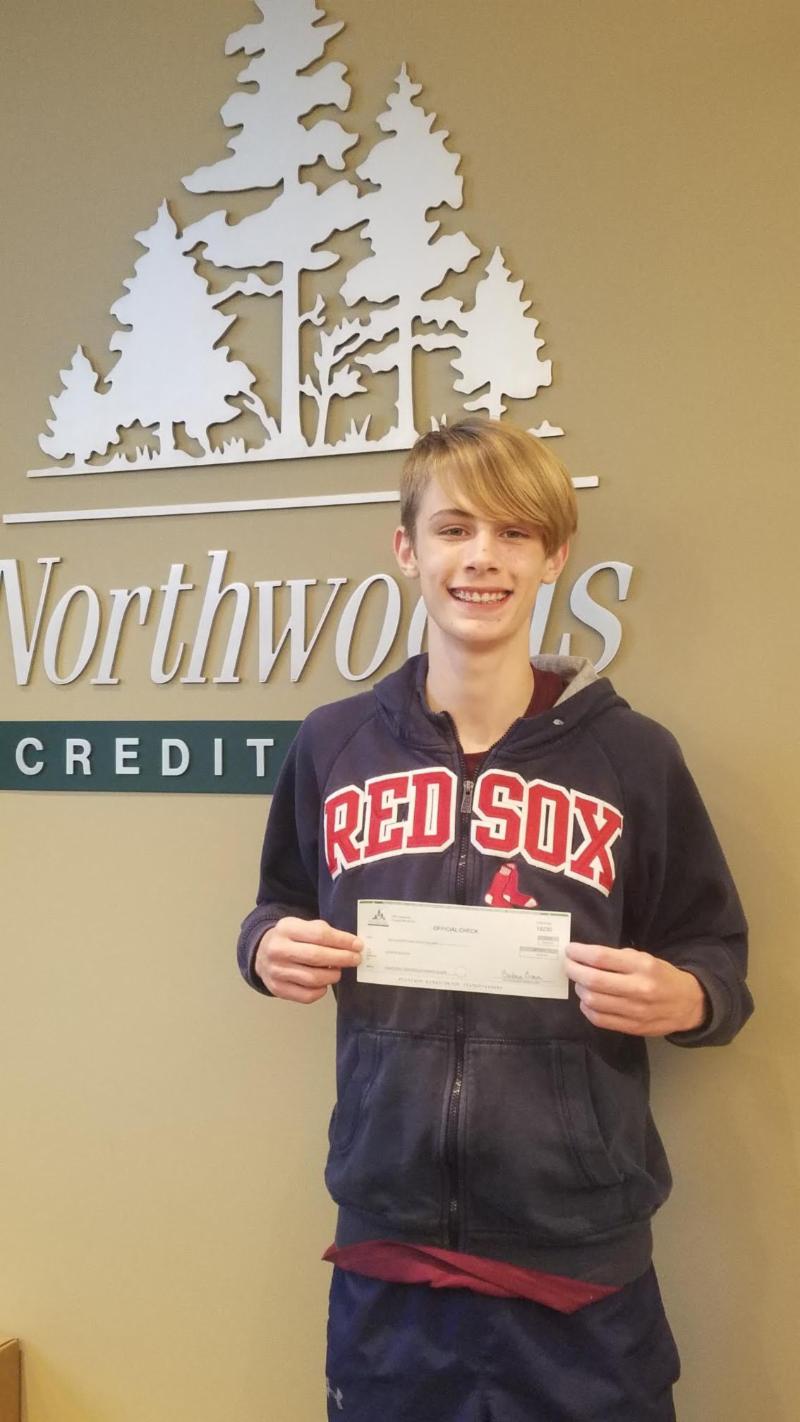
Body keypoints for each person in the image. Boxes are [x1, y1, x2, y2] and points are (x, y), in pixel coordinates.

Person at [237, 419, 752, 1421]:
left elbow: (714, 954)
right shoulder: (334, 744)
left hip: (579, 1259)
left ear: (553, 557)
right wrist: (264, 949)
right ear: (406, 548)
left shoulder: (632, 756)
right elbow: (278, 903)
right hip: (388, 1246)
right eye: (454, 529)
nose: (482, 557)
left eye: (514, 533)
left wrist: (687, 996)